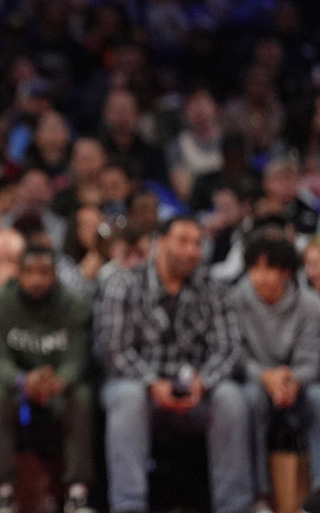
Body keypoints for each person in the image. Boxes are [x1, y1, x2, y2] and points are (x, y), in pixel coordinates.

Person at [97, 217, 251, 513]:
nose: (192, 250)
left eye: (197, 243)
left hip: (195, 392)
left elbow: (228, 348)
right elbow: (113, 349)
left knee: (231, 397)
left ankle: (235, 506)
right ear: (160, 243)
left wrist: (202, 381)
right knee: (128, 397)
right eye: (183, 241)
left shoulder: (214, 289)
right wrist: (153, 382)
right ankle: (129, 505)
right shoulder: (124, 284)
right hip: (139, 388)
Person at [0, 246, 94, 513]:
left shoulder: (74, 305)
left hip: (57, 387)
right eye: (29, 272)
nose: (37, 280)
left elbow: (76, 358)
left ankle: (78, 493)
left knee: (82, 395)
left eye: (45, 272)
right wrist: (23, 380)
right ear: (19, 273)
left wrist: (59, 381)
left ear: (55, 275)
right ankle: (3, 492)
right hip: (16, 386)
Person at [231, 234, 320, 511]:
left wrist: (292, 381)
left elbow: (313, 360)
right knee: (248, 399)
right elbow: (235, 354)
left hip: (297, 385)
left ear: (286, 272)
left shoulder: (311, 304)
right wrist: (266, 377)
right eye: (254, 268)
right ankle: (260, 496)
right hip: (258, 382)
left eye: (268, 269)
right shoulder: (235, 300)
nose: (260, 277)